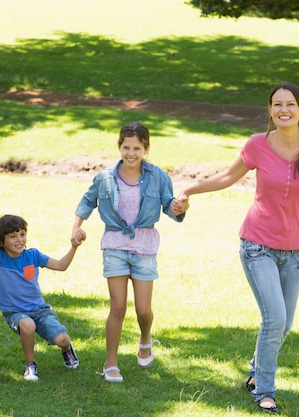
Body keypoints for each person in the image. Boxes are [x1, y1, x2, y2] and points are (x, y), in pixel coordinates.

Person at [173, 81, 299, 414]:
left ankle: (257, 370)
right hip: (257, 246)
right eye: (277, 105)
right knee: (274, 320)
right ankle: (264, 390)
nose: (284, 110)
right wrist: (190, 190)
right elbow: (228, 177)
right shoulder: (258, 144)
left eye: (290, 104)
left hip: (295, 253)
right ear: (270, 110)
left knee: (283, 324)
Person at [72, 122, 187, 383]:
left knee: (144, 310)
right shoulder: (105, 177)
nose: (131, 153)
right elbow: (87, 201)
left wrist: (179, 207)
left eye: (137, 148)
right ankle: (110, 363)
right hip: (114, 245)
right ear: (119, 147)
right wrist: (76, 227)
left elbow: (170, 206)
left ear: (146, 148)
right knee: (118, 306)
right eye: (126, 147)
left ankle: (145, 339)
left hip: (145, 247)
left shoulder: (158, 176)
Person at [0, 213, 85, 380]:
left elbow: (60, 265)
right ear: (0, 242)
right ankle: (31, 365)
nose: (19, 239)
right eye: (13, 236)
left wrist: (74, 247)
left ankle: (67, 350)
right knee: (27, 325)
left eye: (22, 234)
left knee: (62, 339)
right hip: (14, 312)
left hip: (40, 310)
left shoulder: (33, 255)